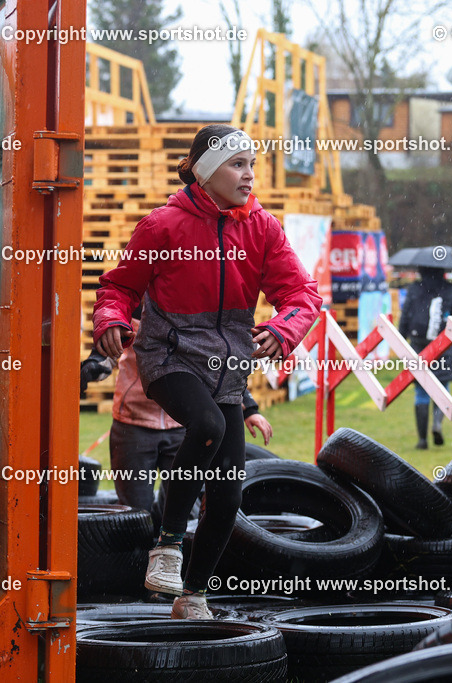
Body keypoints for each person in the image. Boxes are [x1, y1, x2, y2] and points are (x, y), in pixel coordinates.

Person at [92, 124, 322, 619]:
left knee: (227, 495)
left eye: (252, 164)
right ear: (205, 171)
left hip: (226, 372)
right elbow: (119, 288)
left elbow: (302, 294)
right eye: (237, 164)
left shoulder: (263, 228)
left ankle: (193, 595)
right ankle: (167, 544)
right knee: (209, 423)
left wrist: (283, 329)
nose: (249, 174)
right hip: (168, 359)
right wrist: (110, 319)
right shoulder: (161, 226)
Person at [87, 308, 272, 530]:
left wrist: (249, 409)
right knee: (135, 513)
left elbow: (219, 369)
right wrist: (89, 369)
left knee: (177, 508)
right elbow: (107, 355)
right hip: (132, 424)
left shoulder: (196, 314)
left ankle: (168, 548)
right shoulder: (132, 309)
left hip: (182, 426)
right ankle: (138, 550)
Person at [399, 266, 452, 450]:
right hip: (444, 344)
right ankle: (437, 423)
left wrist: (400, 340)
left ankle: (422, 440)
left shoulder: (414, 289)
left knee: (421, 391)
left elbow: (405, 317)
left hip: (418, 345)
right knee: (442, 387)